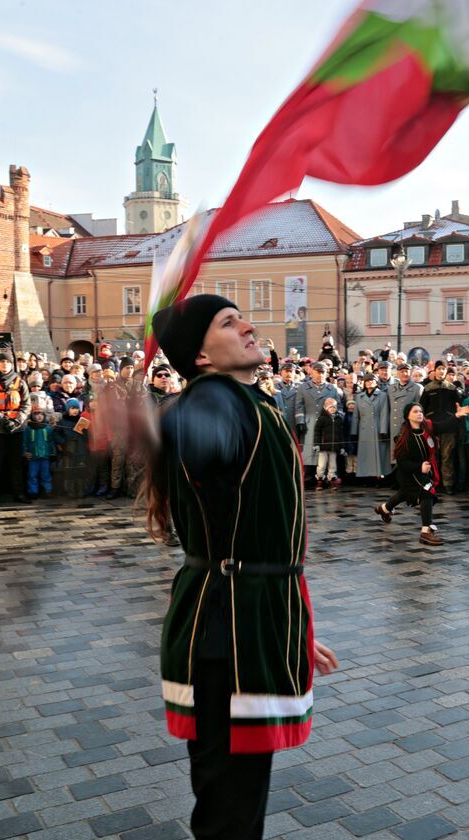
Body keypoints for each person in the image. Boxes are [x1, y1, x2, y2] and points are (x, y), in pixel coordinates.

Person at [145, 294, 337, 839]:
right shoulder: (213, 401)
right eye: (229, 322)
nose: (250, 326)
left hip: (249, 623)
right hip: (224, 635)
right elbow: (202, 433)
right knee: (229, 815)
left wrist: (289, 627)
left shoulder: (249, 400)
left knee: (239, 804)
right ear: (201, 357)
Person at [375, 402, 444, 545]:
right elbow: (402, 463)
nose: (419, 414)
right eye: (415, 412)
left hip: (423, 471)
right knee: (427, 492)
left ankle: (384, 509)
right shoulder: (403, 437)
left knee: (404, 494)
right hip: (409, 474)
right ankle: (426, 532)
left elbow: (444, 425)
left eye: (421, 411)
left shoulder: (427, 428)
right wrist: (420, 467)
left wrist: (457, 415)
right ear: (408, 416)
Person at [0, 351, 32, 505]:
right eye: (2, 362)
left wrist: (17, 421)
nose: (5, 365)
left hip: (16, 429)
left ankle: (19, 493)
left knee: (16, 464)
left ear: (12, 364)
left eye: (8, 362)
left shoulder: (21, 382)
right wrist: (3, 420)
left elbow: (26, 405)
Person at [351, 375, 390, 482]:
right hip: (363, 429)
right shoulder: (359, 396)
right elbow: (356, 415)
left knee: (378, 454)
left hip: (377, 427)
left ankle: (378, 476)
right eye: (366, 381)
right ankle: (366, 477)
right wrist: (354, 431)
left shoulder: (382, 395)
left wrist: (383, 430)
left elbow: (384, 414)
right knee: (365, 454)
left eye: (371, 380)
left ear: (376, 383)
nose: (369, 382)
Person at [23, 408, 56, 499]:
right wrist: (25, 453)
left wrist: (53, 453)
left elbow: (51, 442)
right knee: (32, 475)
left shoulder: (48, 428)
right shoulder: (28, 429)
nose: (39, 416)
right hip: (33, 457)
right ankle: (33, 492)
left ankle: (47, 491)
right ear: (32, 416)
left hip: (45, 456)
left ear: (44, 416)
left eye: (41, 414)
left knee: (46, 475)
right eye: (36, 414)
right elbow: (24, 442)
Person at [312, 396, 342, 490]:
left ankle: (332, 480)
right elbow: (317, 432)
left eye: (334, 407)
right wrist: (317, 444)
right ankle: (320, 480)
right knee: (321, 465)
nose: (332, 409)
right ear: (326, 408)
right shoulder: (322, 418)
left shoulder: (339, 419)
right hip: (323, 446)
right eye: (330, 407)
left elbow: (341, 434)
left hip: (334, 447)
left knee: (333, 465)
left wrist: (342, 446)